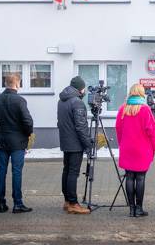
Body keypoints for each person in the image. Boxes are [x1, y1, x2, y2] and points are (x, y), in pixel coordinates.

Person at [0, 72, 34, 214]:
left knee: (1, 171)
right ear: (17, 83)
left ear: (5, 83)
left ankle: (1, 203)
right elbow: (27, 121)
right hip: (18, 142)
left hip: (3, 140)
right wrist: (27, 134)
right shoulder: (20, 101)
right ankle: (17, 203)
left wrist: (1, 130)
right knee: (16, 172)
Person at [115, 83, 155, 217]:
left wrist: (121, 143)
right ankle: (139, 208)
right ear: (141, 94)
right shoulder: (145, 110)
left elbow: (118, 128)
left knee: (129, 177)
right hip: (142, 149)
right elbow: (151, 131)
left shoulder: (123, 109)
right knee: (140, 178)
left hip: (127, 147)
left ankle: (131, 209)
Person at [57, 76, 94, 215]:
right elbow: (81, 127)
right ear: (80, 88)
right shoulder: (77, 103)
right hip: (75, 143)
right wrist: (88, 144)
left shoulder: (62, 100)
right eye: (83, 88)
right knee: (73, 173)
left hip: (65, 141)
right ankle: (73, 203)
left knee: (66, 171)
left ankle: (67, 200)